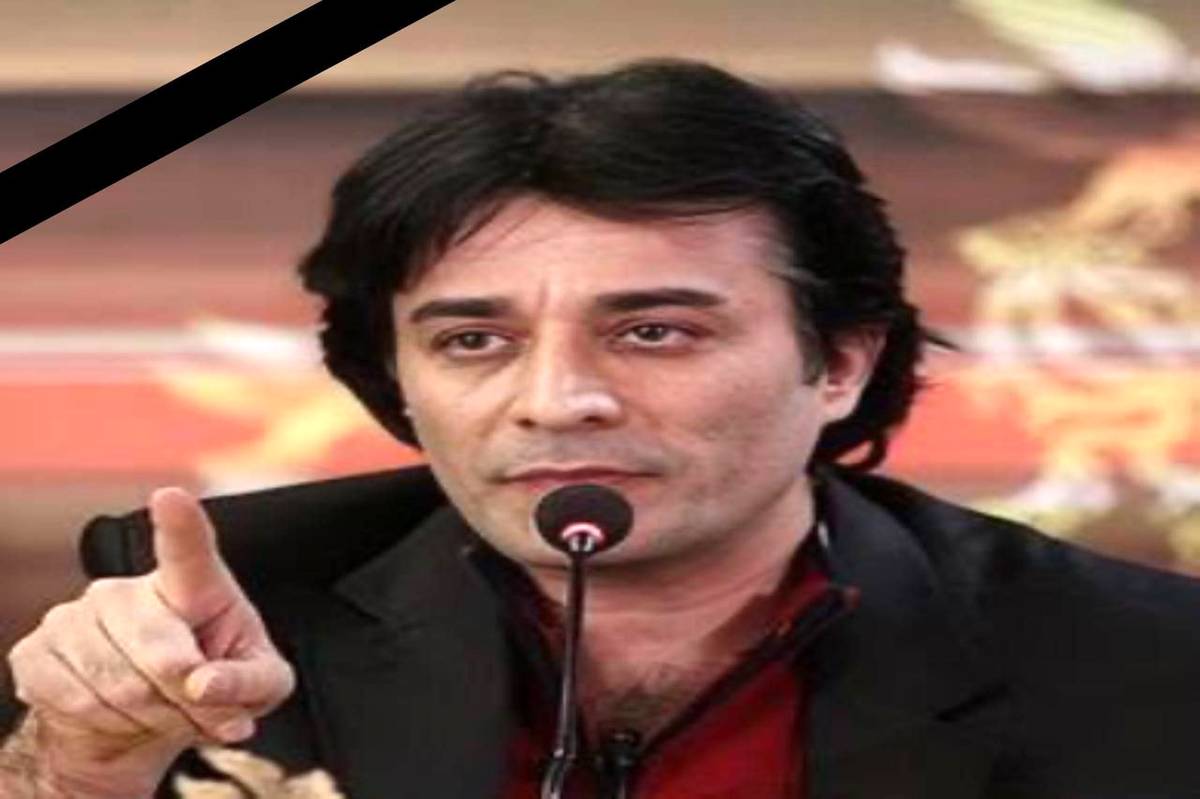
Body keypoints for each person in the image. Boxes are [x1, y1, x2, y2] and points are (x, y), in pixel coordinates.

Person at [3, 59, 1200, 799]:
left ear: (840, 360)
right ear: (398, 381)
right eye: (475, 340)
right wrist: (84, 767)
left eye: (654, 331)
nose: (557, 399)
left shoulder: (1143, 665)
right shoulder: (223, 613)